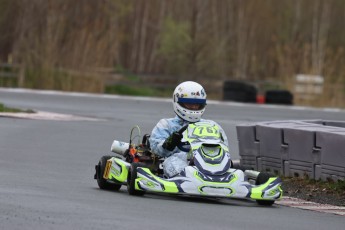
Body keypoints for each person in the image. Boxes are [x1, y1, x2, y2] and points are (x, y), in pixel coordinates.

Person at [149, 81, 229, 177]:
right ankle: (185, 178)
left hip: (207, 160)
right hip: (179, 159)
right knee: (173, 163)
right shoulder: (166, 124)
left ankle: (217, 175)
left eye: (197, 104)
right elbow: (156, 149)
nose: (194, 107)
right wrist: (169, 143)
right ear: (178, 102)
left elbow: (224, 148)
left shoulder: (212, 125)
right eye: (189, 104)